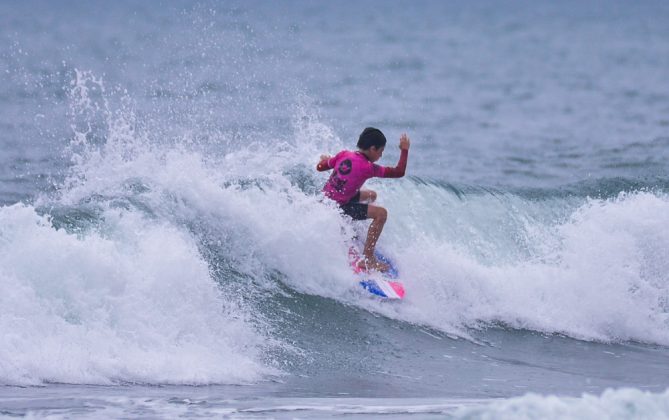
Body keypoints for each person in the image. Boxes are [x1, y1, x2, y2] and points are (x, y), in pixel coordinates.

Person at [317, 127, 410, 272]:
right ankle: (368, 259)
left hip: (325, 200)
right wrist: (404, 149)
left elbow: (320, 167)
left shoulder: (344, 154)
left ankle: (350, 227)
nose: (380, 155)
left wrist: (325, 161)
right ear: (373, 149)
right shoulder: (368, 167)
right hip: (338, 208)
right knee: (381, 214)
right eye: (380, 151)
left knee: (371, 195)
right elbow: (399, 172)